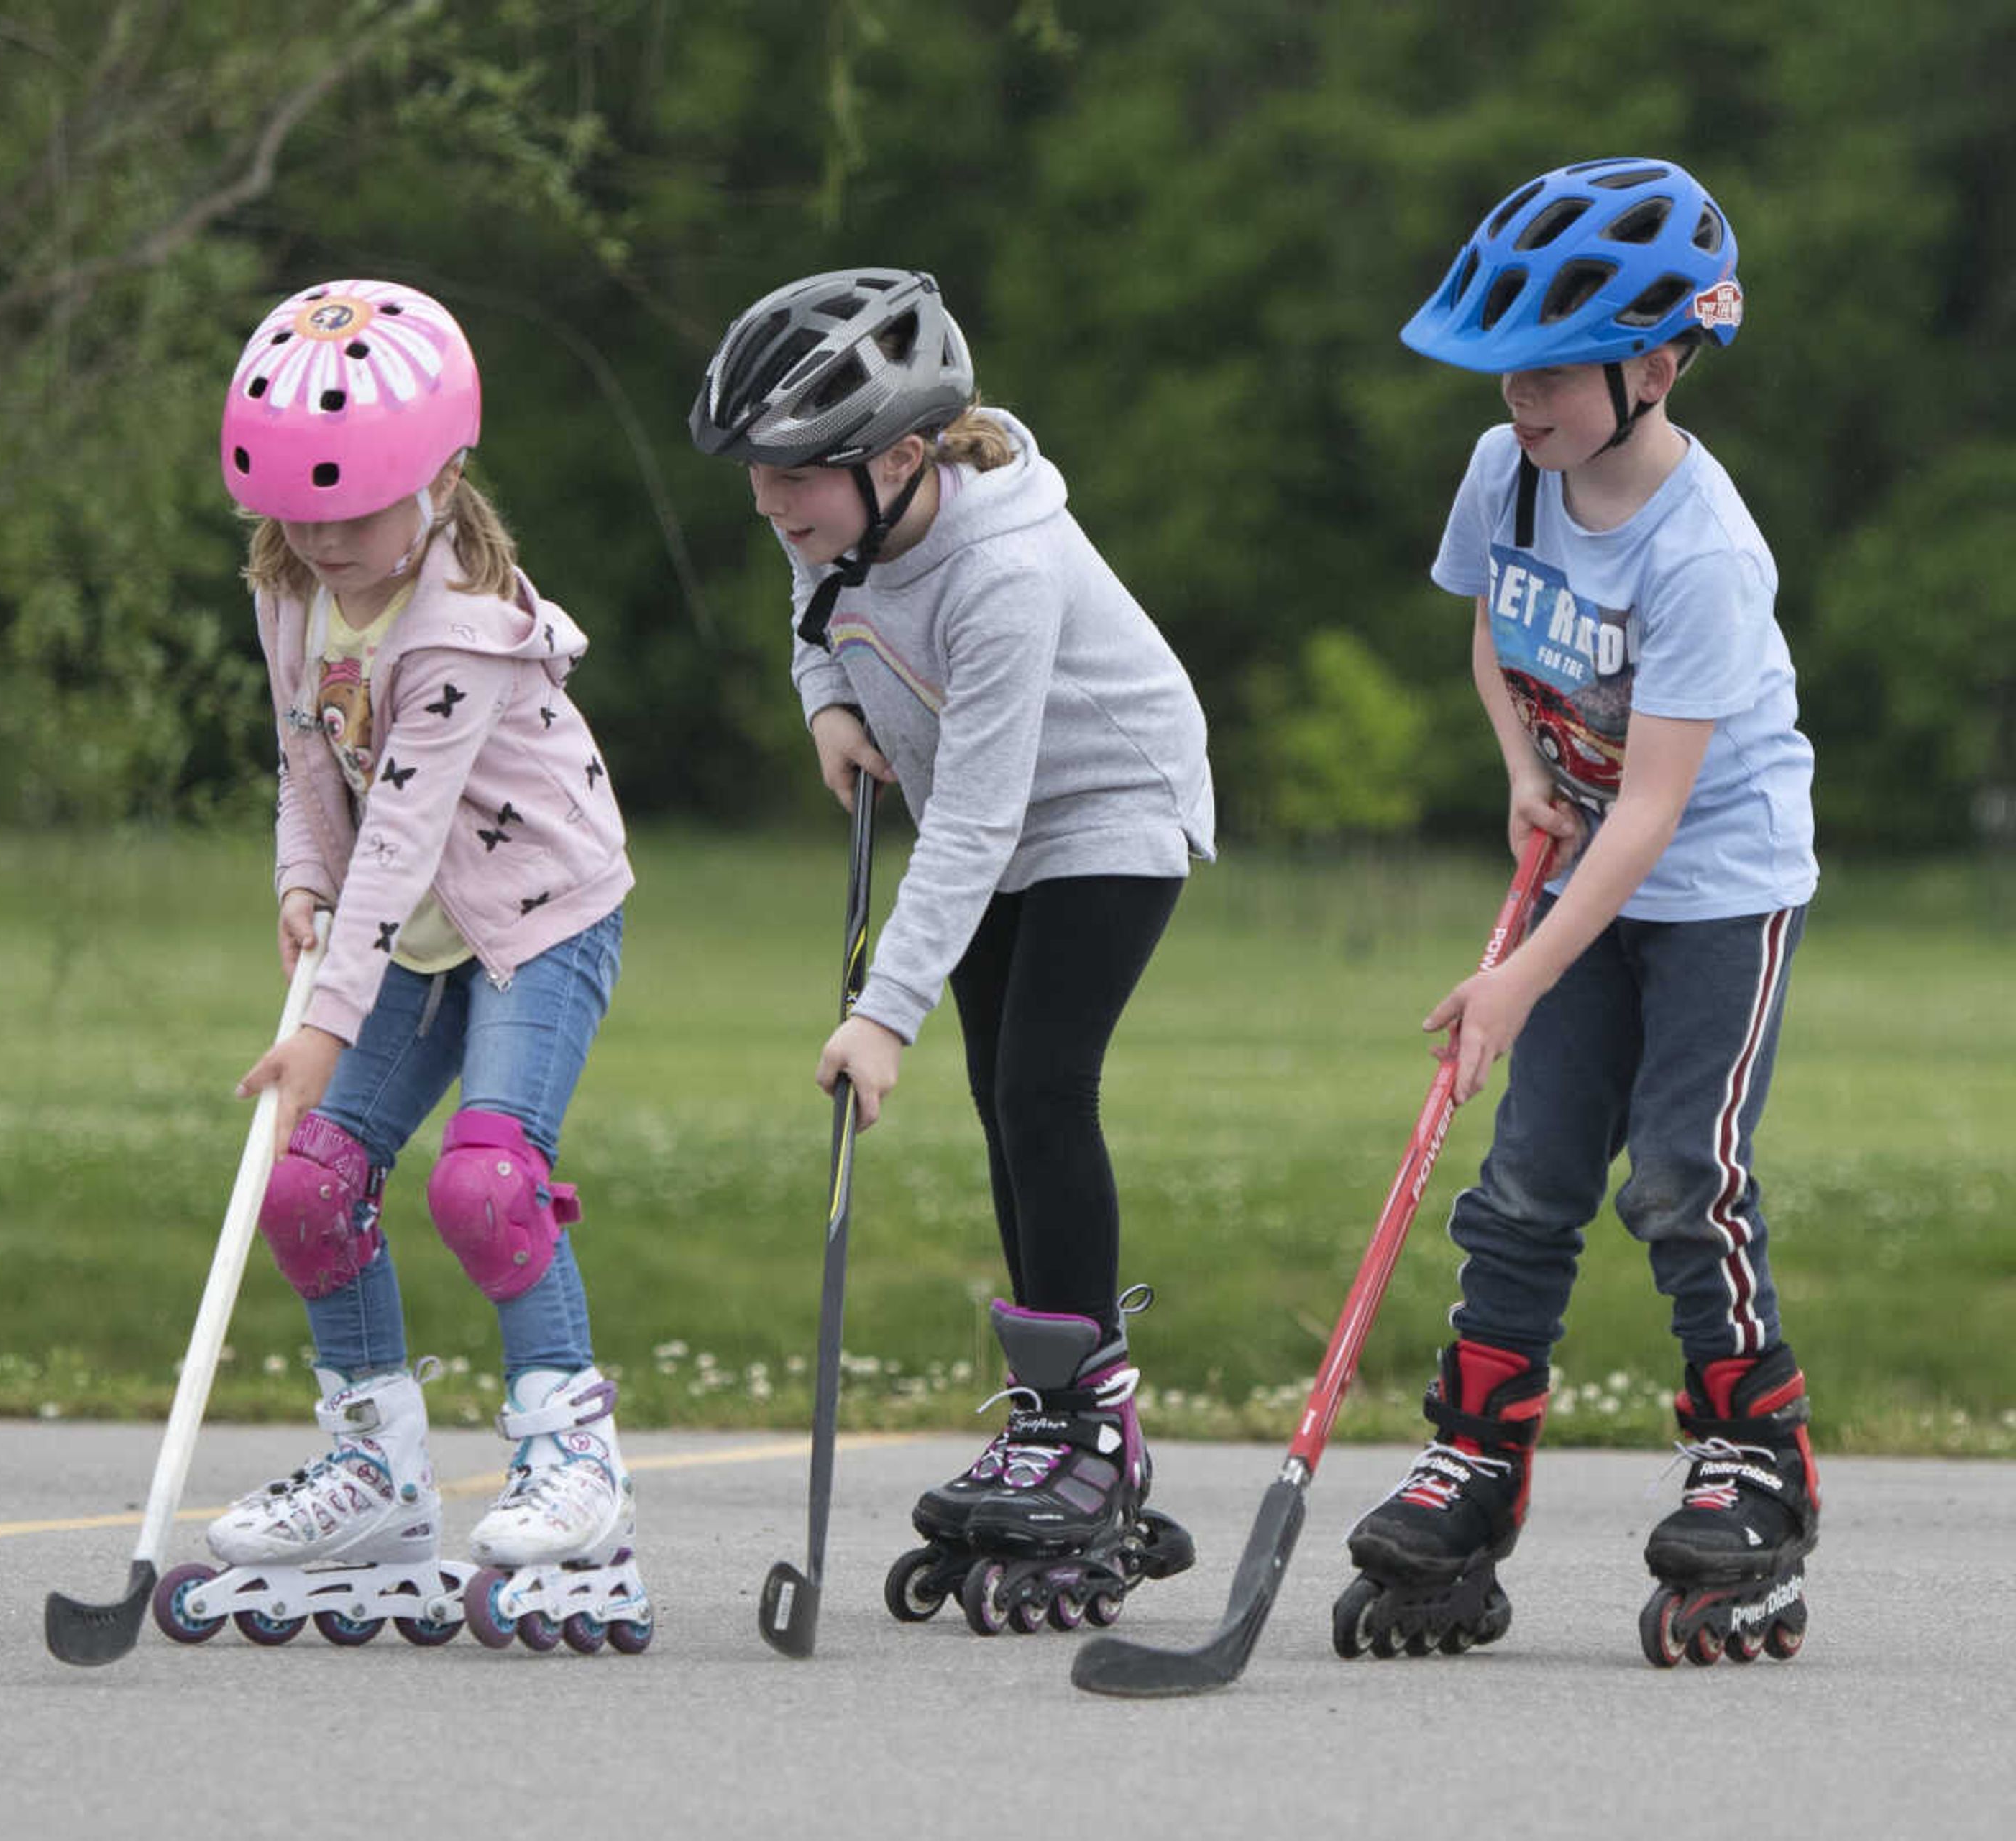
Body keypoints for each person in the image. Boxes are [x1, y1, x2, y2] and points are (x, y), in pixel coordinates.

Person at [1336, 158, 1823, 1669]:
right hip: (1585, 852)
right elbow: (1497, 626)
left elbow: (1665, 815)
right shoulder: (1511, 470)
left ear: (1656, 364)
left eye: (1548, 373)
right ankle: (1475, 1463)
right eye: (1506, 373)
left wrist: (1515, 984)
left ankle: (1758, 1464)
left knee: (1682, 1172)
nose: (1518, 400)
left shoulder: (1705, 553)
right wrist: (1519, 768)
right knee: (1527, 1181)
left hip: (1714, 889)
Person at [687, 268, 1217, 1630]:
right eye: (759, 475)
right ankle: (1052, 1413)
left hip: (1110, 803)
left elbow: (978, 822)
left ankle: (1094, 1433)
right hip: (988, 809)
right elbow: (820, 621)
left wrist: (882, 1010)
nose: (772, 505)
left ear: (905, 455)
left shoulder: (1003, 567)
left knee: (1045, 1084)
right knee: (1003, 1102)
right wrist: (827, 713)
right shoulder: (831, 522)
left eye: (794, 476)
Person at [185, 277, 645, 1650]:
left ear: (441, 485)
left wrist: (326, 1020)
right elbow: (312, 771)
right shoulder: (292, 591)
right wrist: (299, 881)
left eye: (351, 508)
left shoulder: (456, 631)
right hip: (408, 930)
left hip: (532, 919)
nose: (321, 538)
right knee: (309, 1188)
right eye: (295, 511)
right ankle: (378, 1474)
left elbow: (407, 828)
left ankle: (576, 1464)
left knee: (487, 1181)